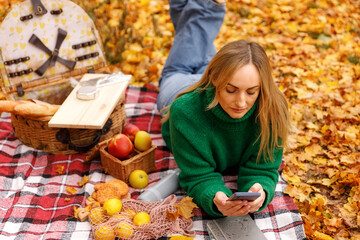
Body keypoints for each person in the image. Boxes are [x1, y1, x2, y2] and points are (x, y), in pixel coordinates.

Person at [157, 0, 290, 217]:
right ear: (215, 79)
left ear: (262, 88)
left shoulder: (273, 109)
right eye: (231, 90)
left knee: (195, 42)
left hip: (223, 72)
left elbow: (263, 168)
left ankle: (187, 4)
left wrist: (260, 190)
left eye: (251, 92)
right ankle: (207, 6)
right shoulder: (183, 110)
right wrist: (214, 195)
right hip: (179, 87)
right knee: (179, 66)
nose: (241, 103)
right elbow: (197, 175)